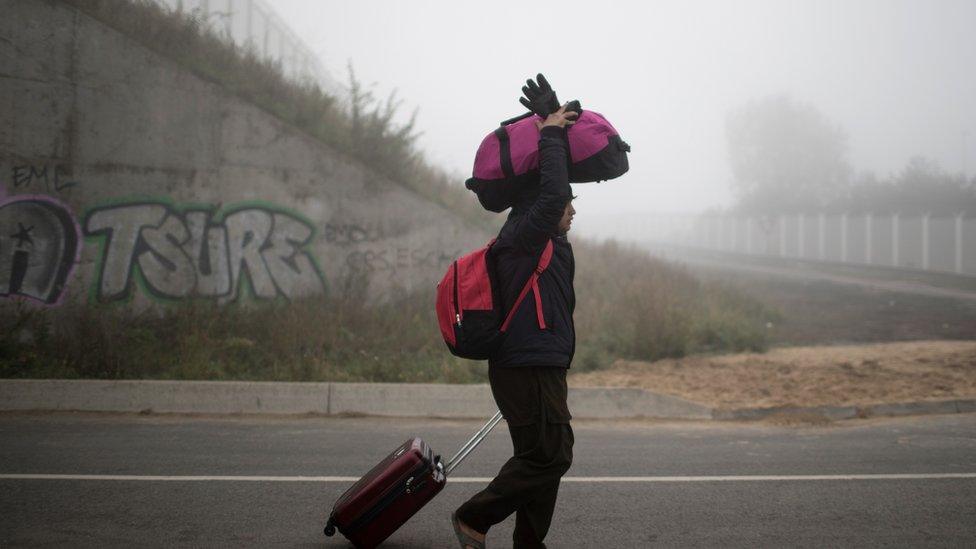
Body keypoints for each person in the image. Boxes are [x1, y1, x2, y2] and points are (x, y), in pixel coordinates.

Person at [452, 102, 579, 549]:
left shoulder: (544, 240)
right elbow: (549, 191)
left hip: (540, 361)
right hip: (526, 363)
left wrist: (555, 117)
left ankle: (529, 542)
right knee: (551, 456)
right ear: (541, 206)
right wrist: (548, 135)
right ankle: (473, 517)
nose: (572, 209)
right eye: (568, 203)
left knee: (542, 455)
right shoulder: (525, 234)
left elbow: (550, 186)